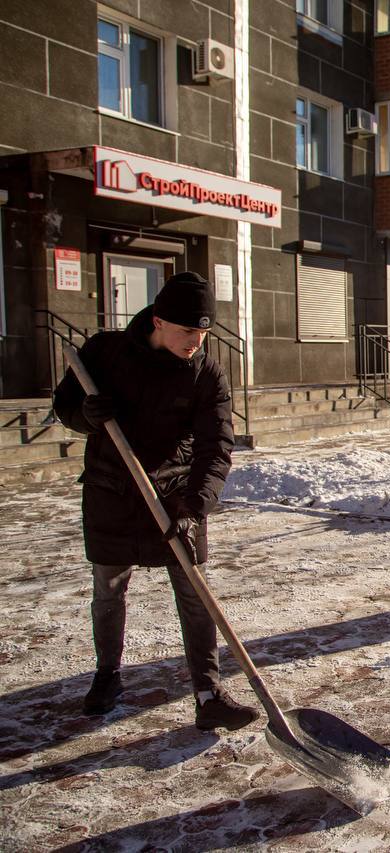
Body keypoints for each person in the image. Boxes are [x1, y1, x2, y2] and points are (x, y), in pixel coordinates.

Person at [53, 272, 258, 731]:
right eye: (188, 331)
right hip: (111, 492)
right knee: (108, 588)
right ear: (159, 321)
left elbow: (215, 447)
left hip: (174, 496)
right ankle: (107, 677)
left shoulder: (207, 373)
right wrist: (85, 416)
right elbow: (64, 404)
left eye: (203, 333)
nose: (196, 342)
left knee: (195, 592)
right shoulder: (105, 353)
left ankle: (208, 693)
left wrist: (196, 506)